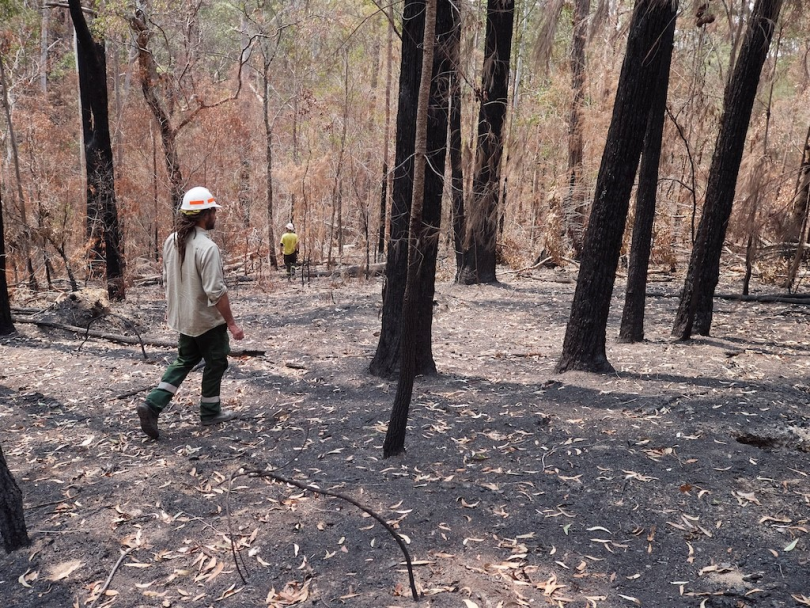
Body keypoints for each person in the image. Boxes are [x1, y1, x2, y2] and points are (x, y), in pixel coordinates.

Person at [137, 186, 245, 440]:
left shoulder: (171, 240)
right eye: (213, 212)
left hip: (184, 318)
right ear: (204, 214)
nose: (215, 216)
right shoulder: (207, 247)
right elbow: (216, 291)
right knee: (217, 360)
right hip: (207, 321)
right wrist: (231, 323)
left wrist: (171, 309)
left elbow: (170, 280)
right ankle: (210, 411)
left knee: (185, 360)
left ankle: (152, 405)